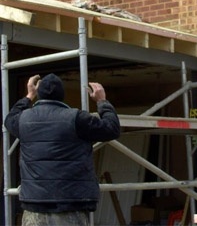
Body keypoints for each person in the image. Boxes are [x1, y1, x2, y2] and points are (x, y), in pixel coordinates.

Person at [4, 73, 121, 226]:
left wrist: (29, 95)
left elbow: (9, 119)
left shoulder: (23, 120)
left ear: (39, 95)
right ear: (61, 96)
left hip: (35, 205)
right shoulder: (76, 118)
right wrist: (102, 101)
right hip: (69, 205)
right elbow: (112, 129)